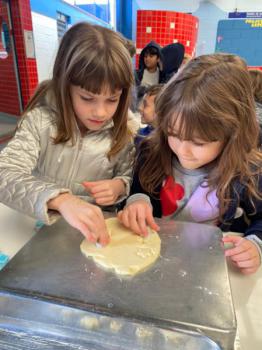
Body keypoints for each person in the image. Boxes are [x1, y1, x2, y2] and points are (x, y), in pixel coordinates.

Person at [118, 54, 262, 275]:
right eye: (173, 133)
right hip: (150, 259)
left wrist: (255, 244)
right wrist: (137, 201)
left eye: (199, 142)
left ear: (232, 135)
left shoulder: (248, 172)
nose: (183, 149)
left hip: (206, 267)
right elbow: (138, 188)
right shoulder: (151, 151)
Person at [0, 22, 135, 246]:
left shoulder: (123, 132)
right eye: (87, 98)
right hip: (36, 231)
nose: (101, 112)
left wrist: (119, 186)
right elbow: (4, 174)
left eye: (112, 99)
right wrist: (59, 199)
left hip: (89, 237)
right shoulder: (40, 122)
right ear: (65, 86)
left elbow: (128, 174)